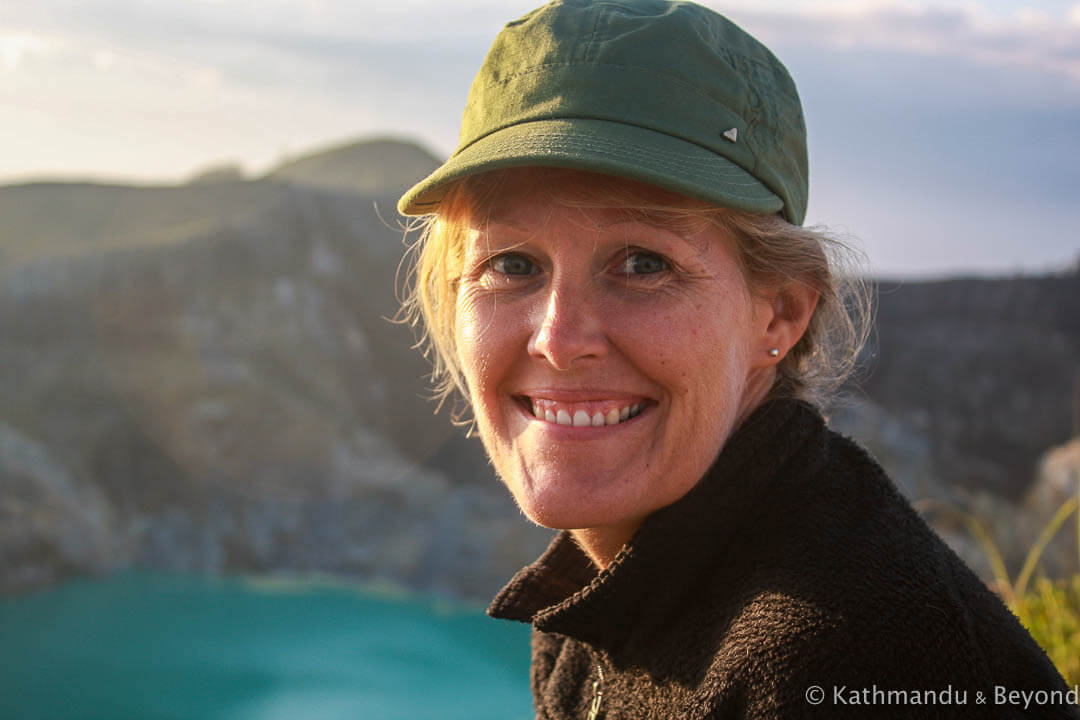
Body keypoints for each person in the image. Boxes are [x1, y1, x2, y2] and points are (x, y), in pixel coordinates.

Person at [396, 1, 1078, 717]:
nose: (560, 339)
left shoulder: (837, 657)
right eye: (511, 264)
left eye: (641, 263)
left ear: (780, 312)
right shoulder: (604, 597)